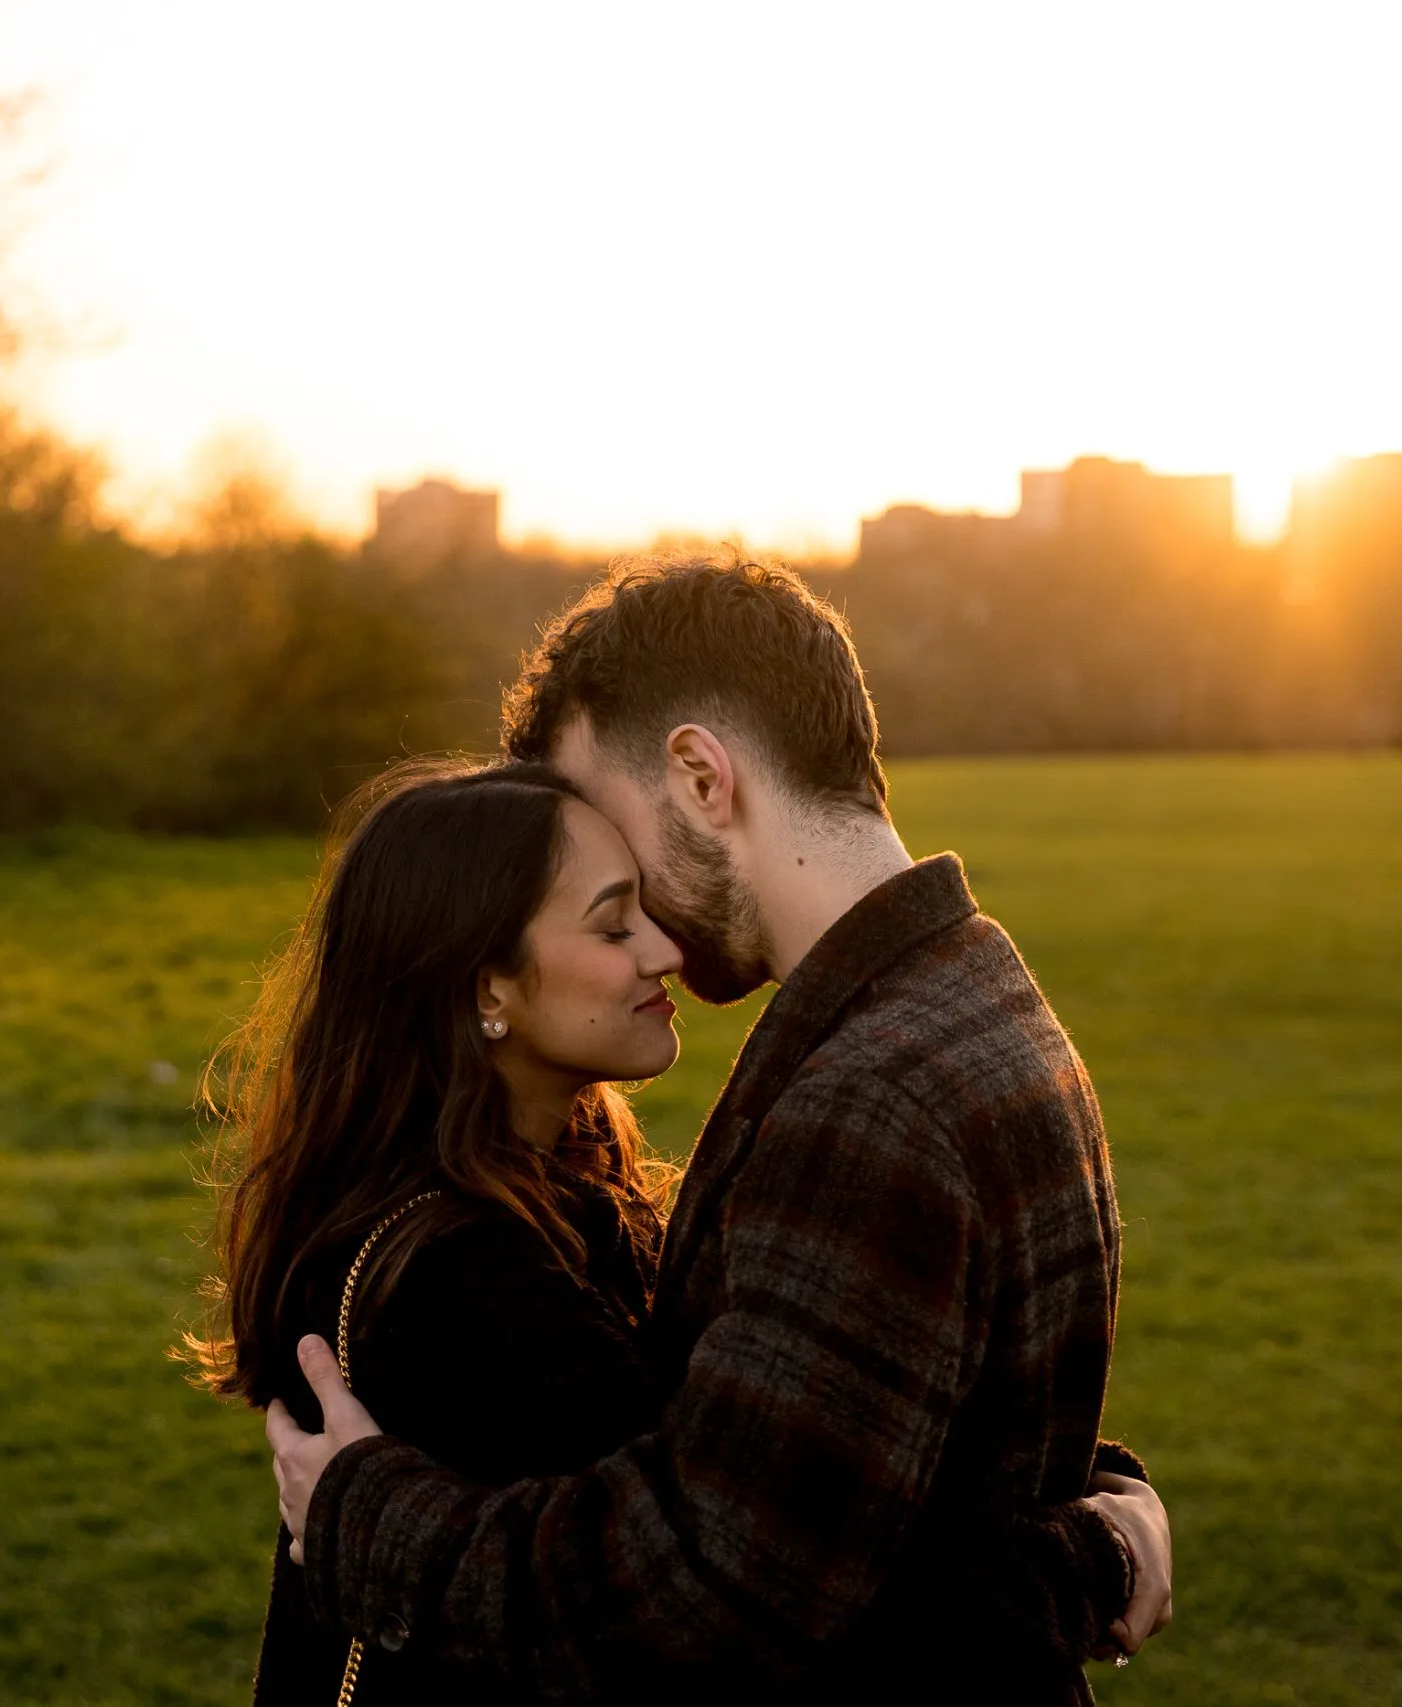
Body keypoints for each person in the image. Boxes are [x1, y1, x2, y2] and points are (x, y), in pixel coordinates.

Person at [266, 552, 1175, 1703]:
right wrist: (1088, 1533)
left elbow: (710, 1598)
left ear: (701, 776)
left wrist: (368, 1522)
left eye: (614, 830)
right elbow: (865, 1444)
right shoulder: (973, 1000)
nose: (639, 911)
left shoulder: (871, 1093)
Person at [193, 759, 686, 1703]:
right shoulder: (466, 1279)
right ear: (487, 989)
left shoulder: (512, 1204)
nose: (664, 949)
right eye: (615, 922)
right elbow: (696, 1578)